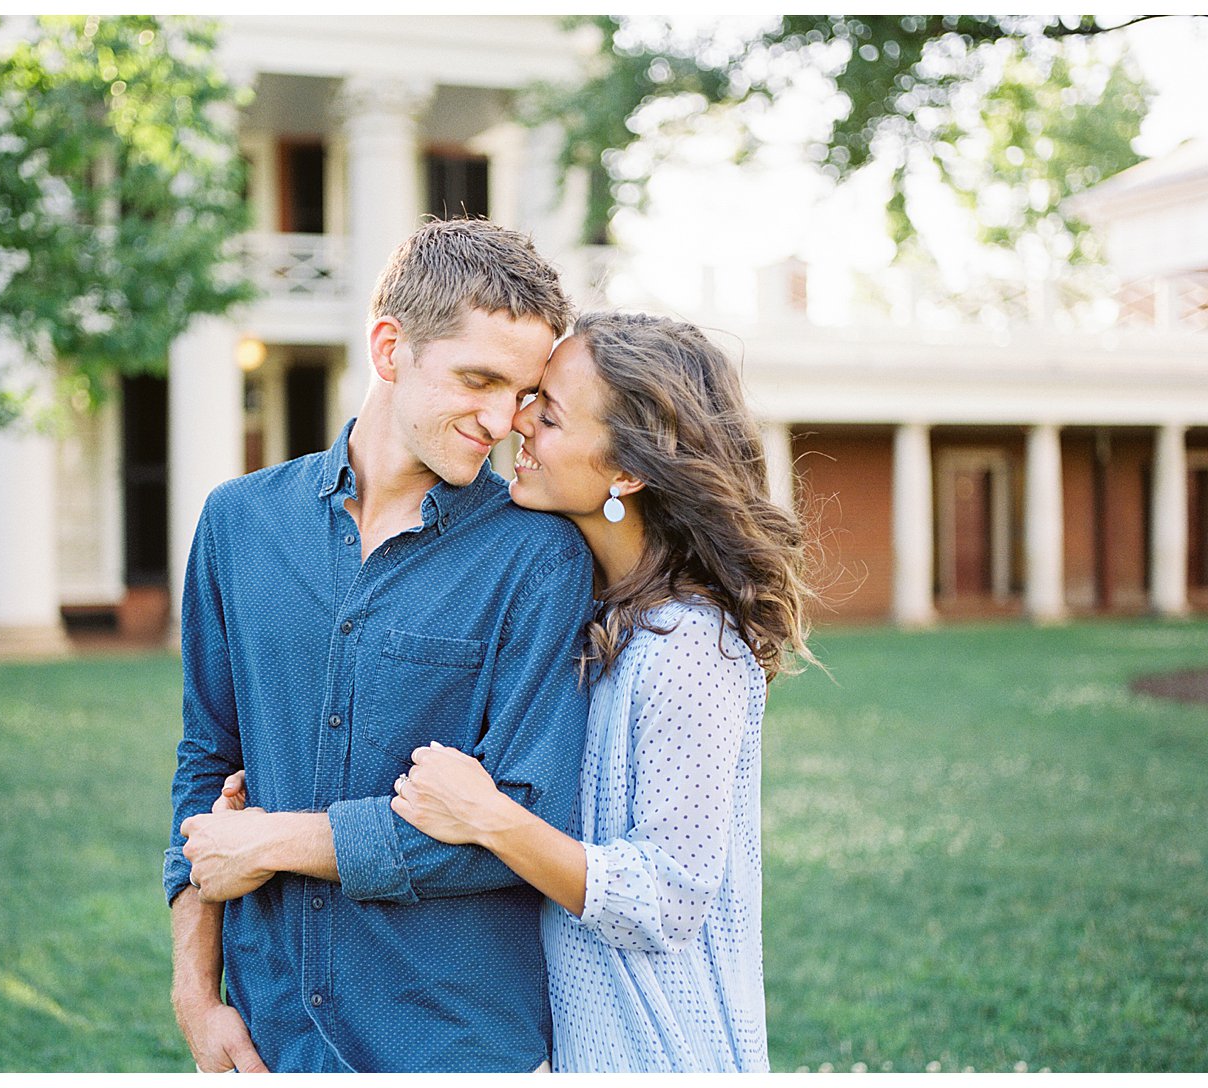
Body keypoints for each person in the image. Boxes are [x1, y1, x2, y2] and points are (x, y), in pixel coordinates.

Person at [164, 218, 593, 1073]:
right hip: (271, 1029)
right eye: (479, 379)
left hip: (451, 1044)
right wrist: (195, 995)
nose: (502, 419)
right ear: (390, 348)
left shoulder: (540, 558)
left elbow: (525, 824)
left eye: (520, 394)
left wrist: (275, 841)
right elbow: (206, 761)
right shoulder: (237, 523)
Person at [383, 311, 818, 1071]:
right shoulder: (595, 612)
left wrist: (488, 818)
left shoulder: (691, 647)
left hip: (666, 1056)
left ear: (624, 472)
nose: (517, 422)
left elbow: (669, 899)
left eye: (546, 413)